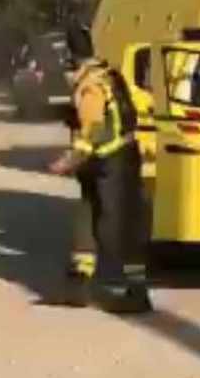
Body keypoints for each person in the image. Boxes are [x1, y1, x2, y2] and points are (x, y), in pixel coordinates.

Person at [48, 23, 151, 314]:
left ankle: (136, 293)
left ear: (71, 58)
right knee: (86, 218)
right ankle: (79, 285)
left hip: (111, 163)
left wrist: (67, 162)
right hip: (116, 159)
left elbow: (91, 131)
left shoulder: (90, 85)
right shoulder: (110, 74)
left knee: (117, 228)